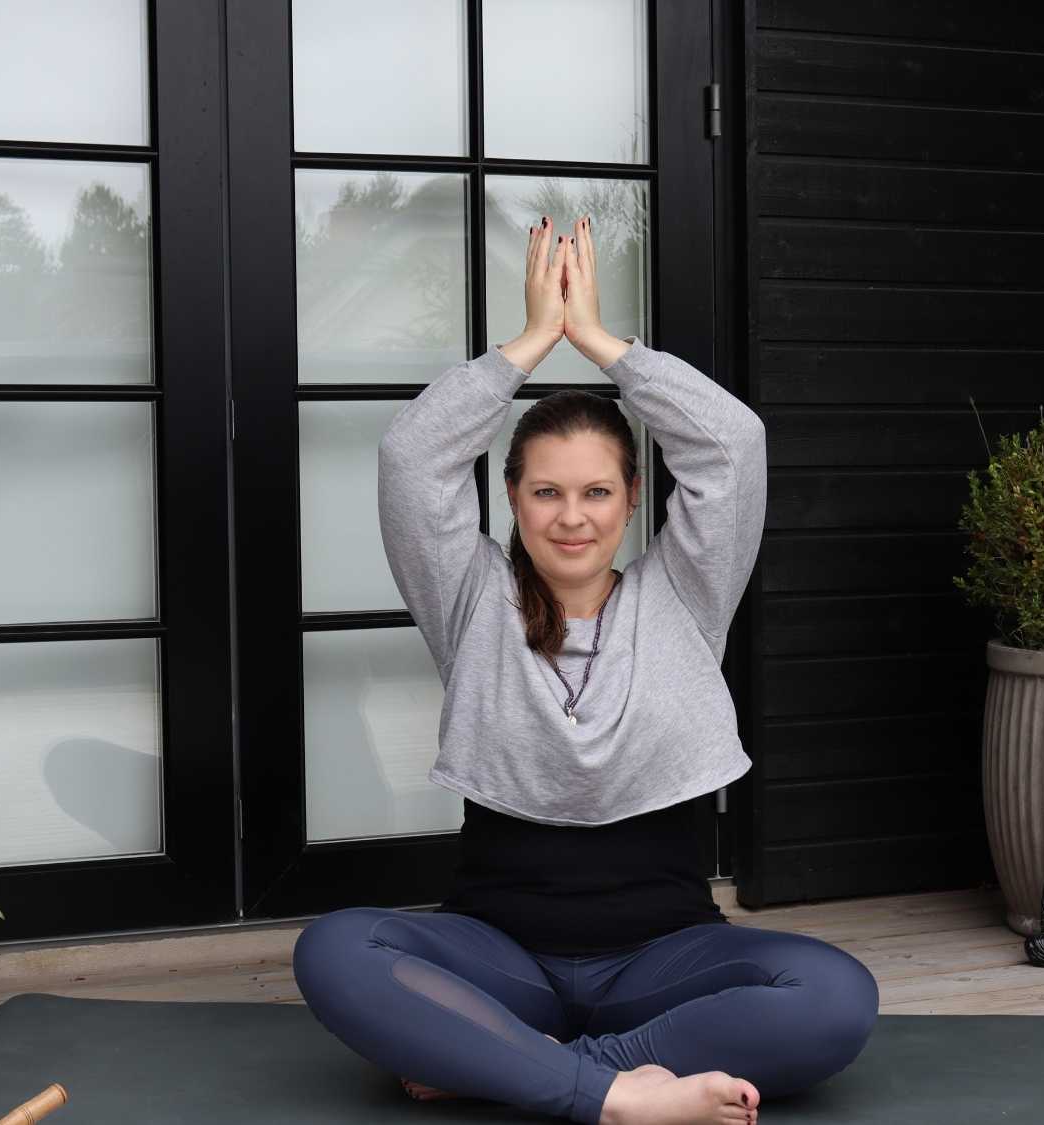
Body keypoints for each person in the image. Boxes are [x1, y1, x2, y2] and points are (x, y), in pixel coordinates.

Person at [292, 214, 879, 1125]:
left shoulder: (685, 595)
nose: (573, 516)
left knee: (836, 995)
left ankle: (524, 1068)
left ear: (634, 498)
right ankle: (613, 1096)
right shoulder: (472, 598)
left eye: (597, 490)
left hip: (660, 968)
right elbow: (412, 458)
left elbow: (732, 447)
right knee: (332, 949)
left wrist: (604, 344)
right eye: (547, 491)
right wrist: (527, 345)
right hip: (499, 962)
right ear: (514, 499)